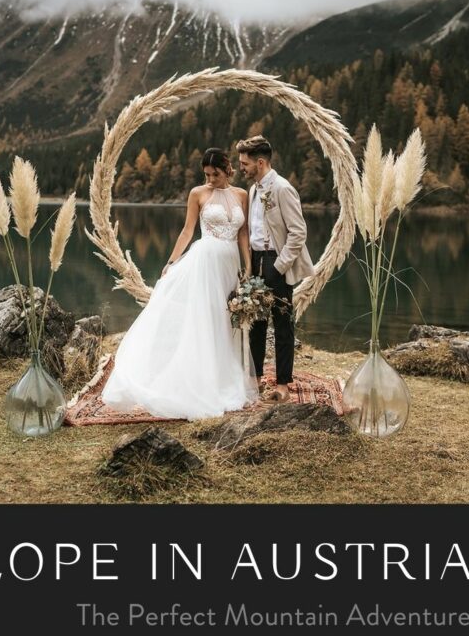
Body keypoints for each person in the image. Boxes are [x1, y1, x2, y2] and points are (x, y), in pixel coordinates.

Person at [101, 148, 260, 421]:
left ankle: (223, 375)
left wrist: (247, 266)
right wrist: (172, 261)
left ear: (228, 170)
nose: (210, 179)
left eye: (215, 174)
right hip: (206, 263)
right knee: (206, 318)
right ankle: (198, 380)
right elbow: (188, 230)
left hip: (230, 264)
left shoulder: (242, 195)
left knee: (226, 320)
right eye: (206, 174)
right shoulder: (198, 194)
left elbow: (244, 232)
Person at [236, 135, 314, 403]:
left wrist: (279, 266)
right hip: (256, 259)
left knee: (282, 324)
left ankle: (282, 384)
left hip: (276, 262)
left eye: (245, 163)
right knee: (256, 323)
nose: (241, 168)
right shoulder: (253, 189)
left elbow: (298, 232)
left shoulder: (282, 188)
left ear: (260, 162)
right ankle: (255, 380)